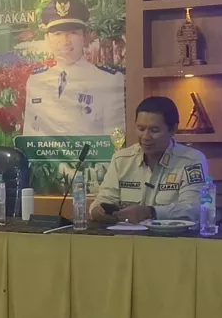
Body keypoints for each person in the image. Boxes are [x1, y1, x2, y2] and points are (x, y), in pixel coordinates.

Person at [90, 96, 210, 224]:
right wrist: (97, 210)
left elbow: (193, 209)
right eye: (141, 129)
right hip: (126, 234)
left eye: (154, 130)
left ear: (173, 130)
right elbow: (104, 199)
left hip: (171, 235)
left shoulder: (191, 161)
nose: (146, 137)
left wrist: (151, 212)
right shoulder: (121, 160)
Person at [22, 0, 125, 137]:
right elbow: (30, 136)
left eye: (73, 33)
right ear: (47, 39)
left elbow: (115, 139)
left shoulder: (108, 80)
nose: (65, 41)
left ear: (85, 37)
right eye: (57, 34)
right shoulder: (36, 81)